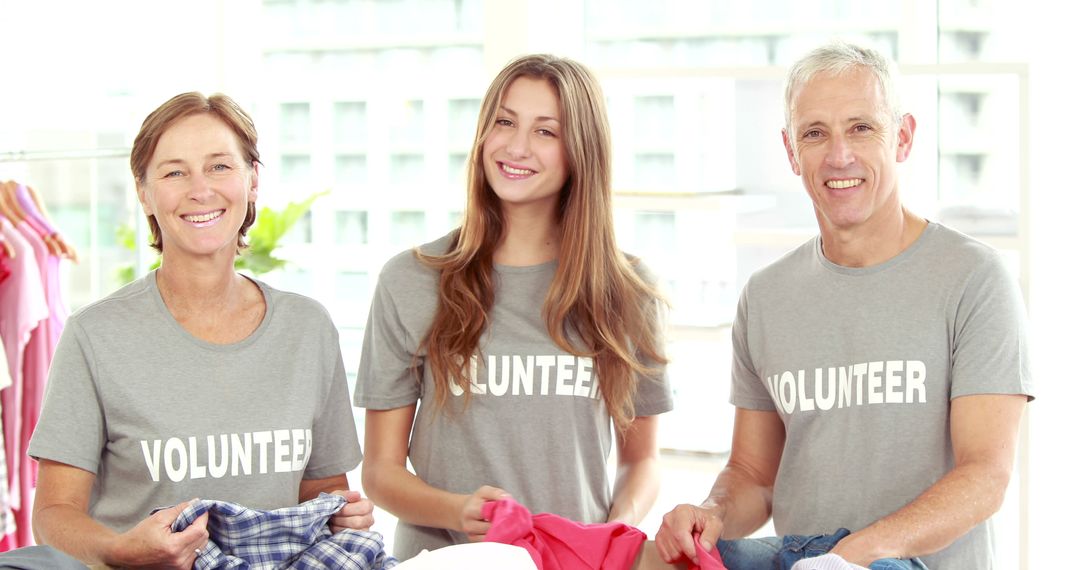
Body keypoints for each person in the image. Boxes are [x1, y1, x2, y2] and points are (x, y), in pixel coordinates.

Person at [654, 41, 1033, 570]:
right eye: (815, 133)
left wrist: (858, 554)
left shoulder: (974, 278)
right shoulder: (766, 296)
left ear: (902, 137)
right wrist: (711, 512)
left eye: (861, 127)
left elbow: (985, 475)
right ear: (791, 152)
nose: (839, 155)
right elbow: (754, 476)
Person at [26, 92, 373, 568]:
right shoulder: (94, 336)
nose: (200, 190)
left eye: (219, 167)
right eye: (174, 172)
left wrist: (344, 515)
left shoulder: (307, 329)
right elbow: (52, 514)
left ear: (252, 180)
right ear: (144, 193)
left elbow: (322, 492)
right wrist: (120, 550)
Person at [356, 54, 674, 559]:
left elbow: (643, 462)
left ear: (581, 151)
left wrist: (610, 534)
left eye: (546, 131)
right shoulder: (412, 280)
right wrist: (458, 510)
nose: (517, 146)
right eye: (504, 121)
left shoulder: (628, 291)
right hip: (446, 563)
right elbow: (380, 473)